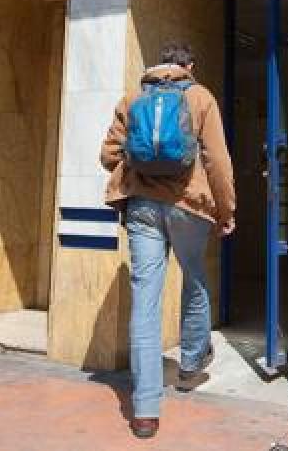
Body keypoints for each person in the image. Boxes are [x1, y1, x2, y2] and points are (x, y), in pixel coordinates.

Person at [100, 42, 236, 440]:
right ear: (189, 65)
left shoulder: (134, 96)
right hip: (189, 207)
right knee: (194, 279)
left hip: (142, 205)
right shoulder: (201, 96)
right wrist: (226, 212)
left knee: (145, 299)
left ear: (157, 63)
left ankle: (145, 410)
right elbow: (218, 161)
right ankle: (191, 366)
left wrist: (140, 158)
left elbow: (108, 156)